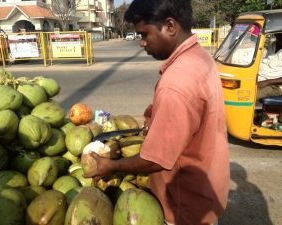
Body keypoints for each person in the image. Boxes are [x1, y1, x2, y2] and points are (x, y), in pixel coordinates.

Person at [84, 1, 230, 224]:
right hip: (205, 191)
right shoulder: (200, 58)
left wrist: (111, 166)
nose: (142, 43)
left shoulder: (177, 81)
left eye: (144, 34)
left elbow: (156, 159)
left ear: (170, 26)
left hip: (183, 206)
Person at [257, 34, 282, 100]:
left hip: (275, 86)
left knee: (249, 95)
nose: (279, 36)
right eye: (279, 34)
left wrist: (268, 82)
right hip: (259, 80)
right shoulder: (272, 46)